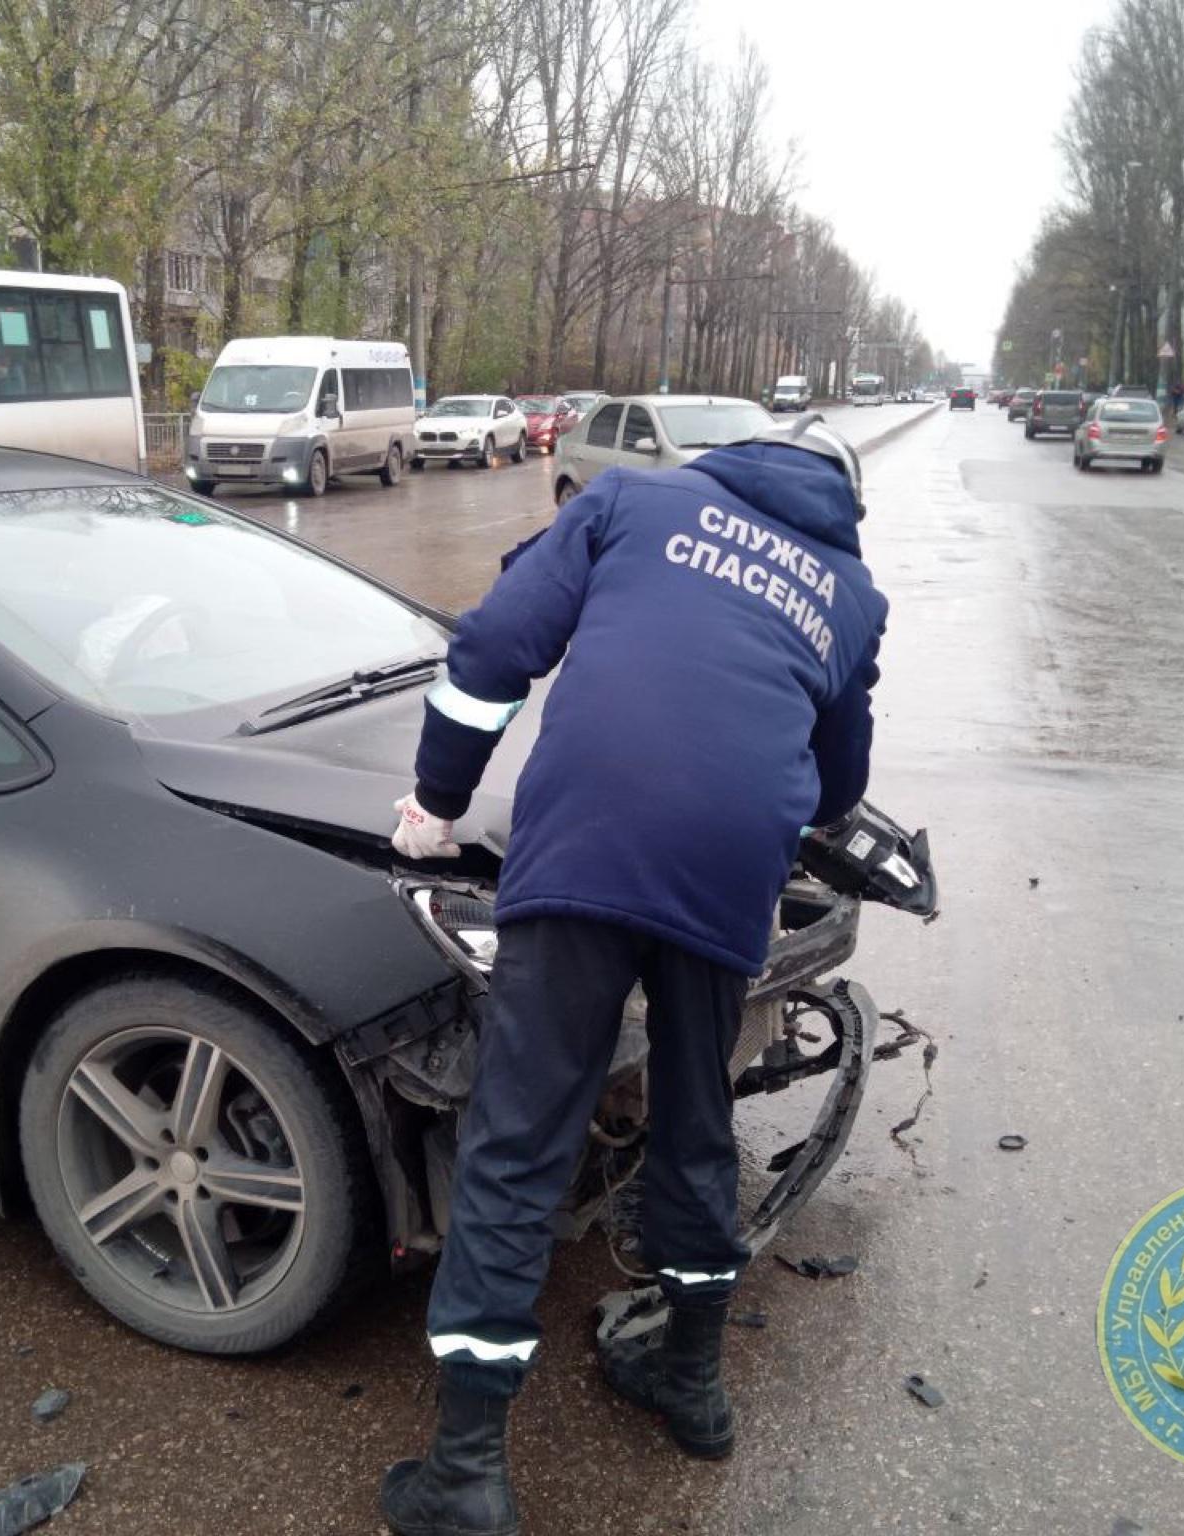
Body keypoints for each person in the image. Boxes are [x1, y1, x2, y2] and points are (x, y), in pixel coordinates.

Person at [379, 414, 889, 1536]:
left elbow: (490, 651)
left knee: (519, 1141)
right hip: (725, 878)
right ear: (842, 499)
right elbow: (840, 779)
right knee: (697, 1122)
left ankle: (466, 1472)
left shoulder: (632, 502)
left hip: (586, 849)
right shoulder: (847, 592)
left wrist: (439, 800)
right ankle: (691, 1383)